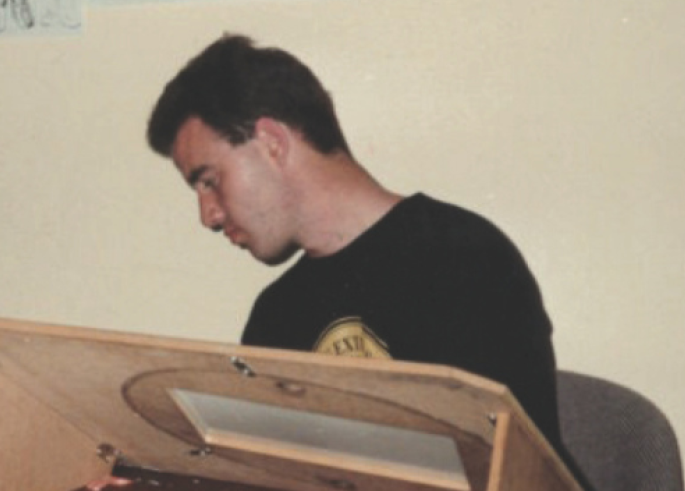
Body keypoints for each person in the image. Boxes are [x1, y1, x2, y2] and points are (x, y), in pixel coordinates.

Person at [146, 33, 561, 447]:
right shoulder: (275, 315)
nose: (209, 216)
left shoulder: (464, 256)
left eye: (210, 181)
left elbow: (498, 477)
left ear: (272, 142)